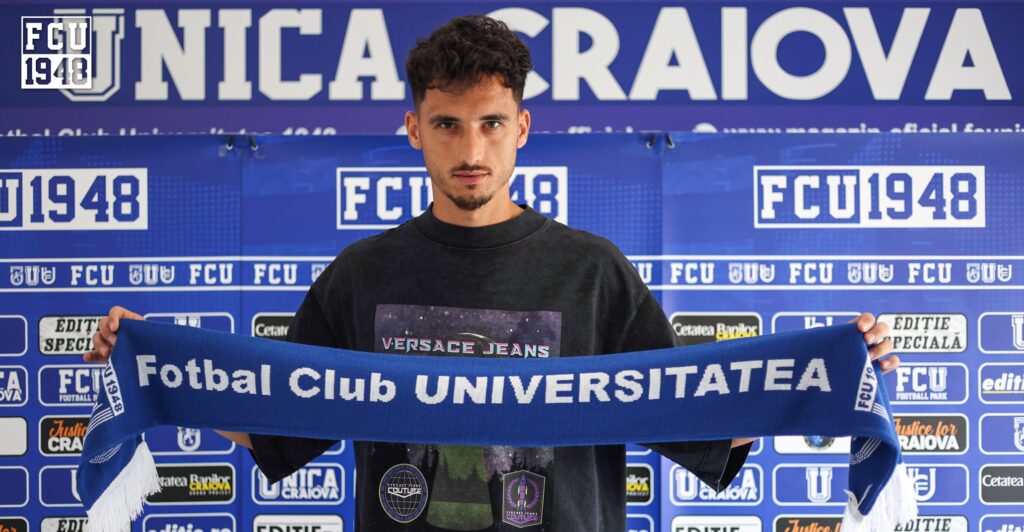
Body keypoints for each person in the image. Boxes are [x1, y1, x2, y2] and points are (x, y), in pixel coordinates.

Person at [85, 15, 899, 532]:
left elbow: (699, 421)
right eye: (447, 124)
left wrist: (833, 378)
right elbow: (277, 424)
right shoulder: (362, 274)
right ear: (413, 128)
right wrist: (153, 374)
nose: (470, 149)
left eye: (491, 123)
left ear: (522, 128)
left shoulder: (592, 273)